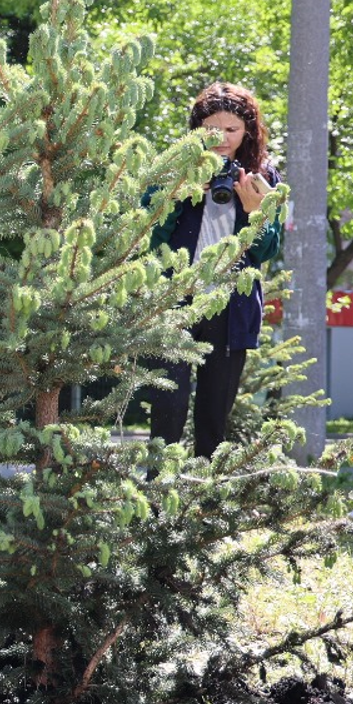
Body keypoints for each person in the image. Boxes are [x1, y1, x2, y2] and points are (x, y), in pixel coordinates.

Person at [147, 81, 282, 459]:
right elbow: (147, 237)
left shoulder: (264, 177)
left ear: (248, 132)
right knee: (167, 407)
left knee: (214, 415)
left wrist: (256, 212)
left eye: (232, 129)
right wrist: (178, 191)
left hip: (231, 307)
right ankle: (158, 495)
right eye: (211, 128)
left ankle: (204, 497)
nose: (221, 137)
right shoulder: (174, 168)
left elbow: (268, 250)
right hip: (174, 302)